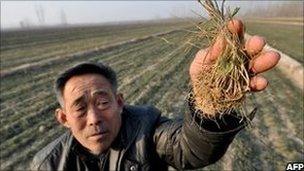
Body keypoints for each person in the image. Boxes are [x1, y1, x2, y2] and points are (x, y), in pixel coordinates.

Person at [31, 20, 280, 171]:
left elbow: (190, 150)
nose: (94, 117)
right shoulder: (48, 165)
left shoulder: (147, 129)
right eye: (80, 108)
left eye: (103, 102)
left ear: (120, 102)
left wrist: (210, 103)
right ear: (63, 118)